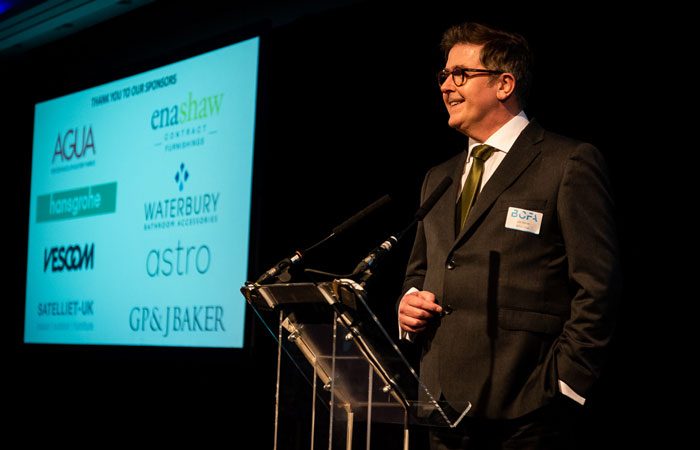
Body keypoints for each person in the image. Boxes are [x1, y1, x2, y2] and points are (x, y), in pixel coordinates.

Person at [398, 22, 621, 449]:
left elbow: (598, 286)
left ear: (504, 84)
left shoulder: (566, 162)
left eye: (461, 74)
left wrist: (566, 383)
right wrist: (408, 305)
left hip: (527, 408)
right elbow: (420, 272)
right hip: (441, 405)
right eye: (444, 75)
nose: (446, 85)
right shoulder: (439, 178)